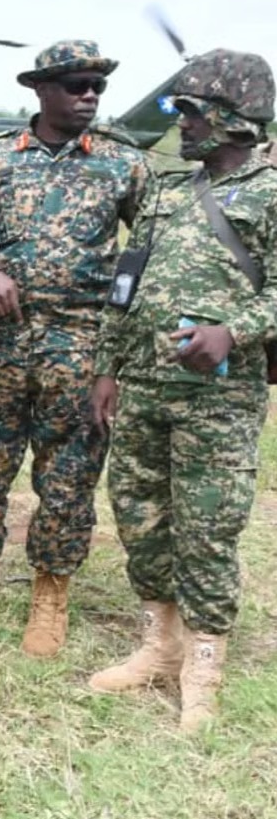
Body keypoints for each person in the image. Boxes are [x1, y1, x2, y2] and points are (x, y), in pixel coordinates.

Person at [0, 41, 156, 657]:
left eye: (97, 87)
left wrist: (117, 355)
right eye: (77, 85)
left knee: (69, 478)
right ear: (42, 90)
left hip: (79, 348)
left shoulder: (123, 164)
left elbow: (148, 252)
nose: (89, 96)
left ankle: (51, 594)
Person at [88, 50, 277, 731]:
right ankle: (160, 644)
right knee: (140, 515)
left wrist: (234, 329)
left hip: (218, 401)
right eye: (178, 109)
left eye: (190, 111)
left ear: (234, 119)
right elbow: (127, 284)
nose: (180, 123)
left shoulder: (270, 193)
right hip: (144, 386)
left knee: (207, 527)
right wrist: (107, 368)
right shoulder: (169, 191)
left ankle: (204, 665)